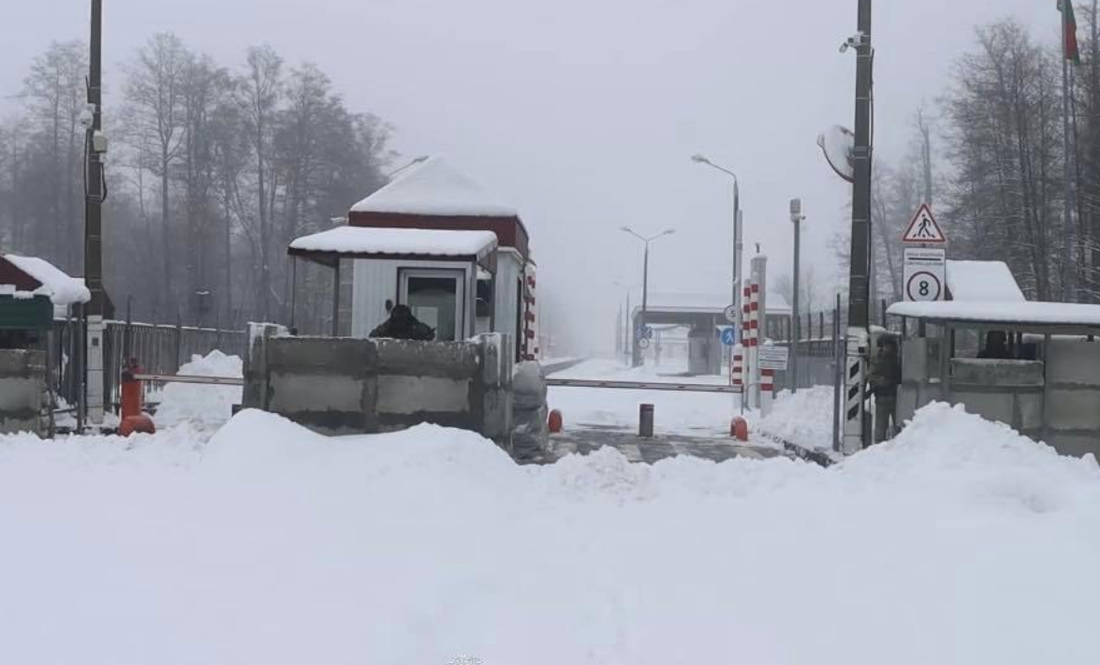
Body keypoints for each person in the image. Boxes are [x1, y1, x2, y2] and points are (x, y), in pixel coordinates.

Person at [868, 335, 901, 444]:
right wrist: (882, 381)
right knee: (880, 429)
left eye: (890, 346)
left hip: (896, 397)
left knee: (898, 427)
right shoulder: (877, 360)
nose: (888, 348)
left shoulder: (897, 359)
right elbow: (872, 377)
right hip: (882, 397)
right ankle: (879, 449)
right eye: (886, 345)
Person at [369, 303, 435, 341]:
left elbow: (430, 335)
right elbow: (373, 336)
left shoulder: (413, 324)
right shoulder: (390, 324)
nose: (400, 321)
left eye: (403, 316)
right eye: (398, 316)